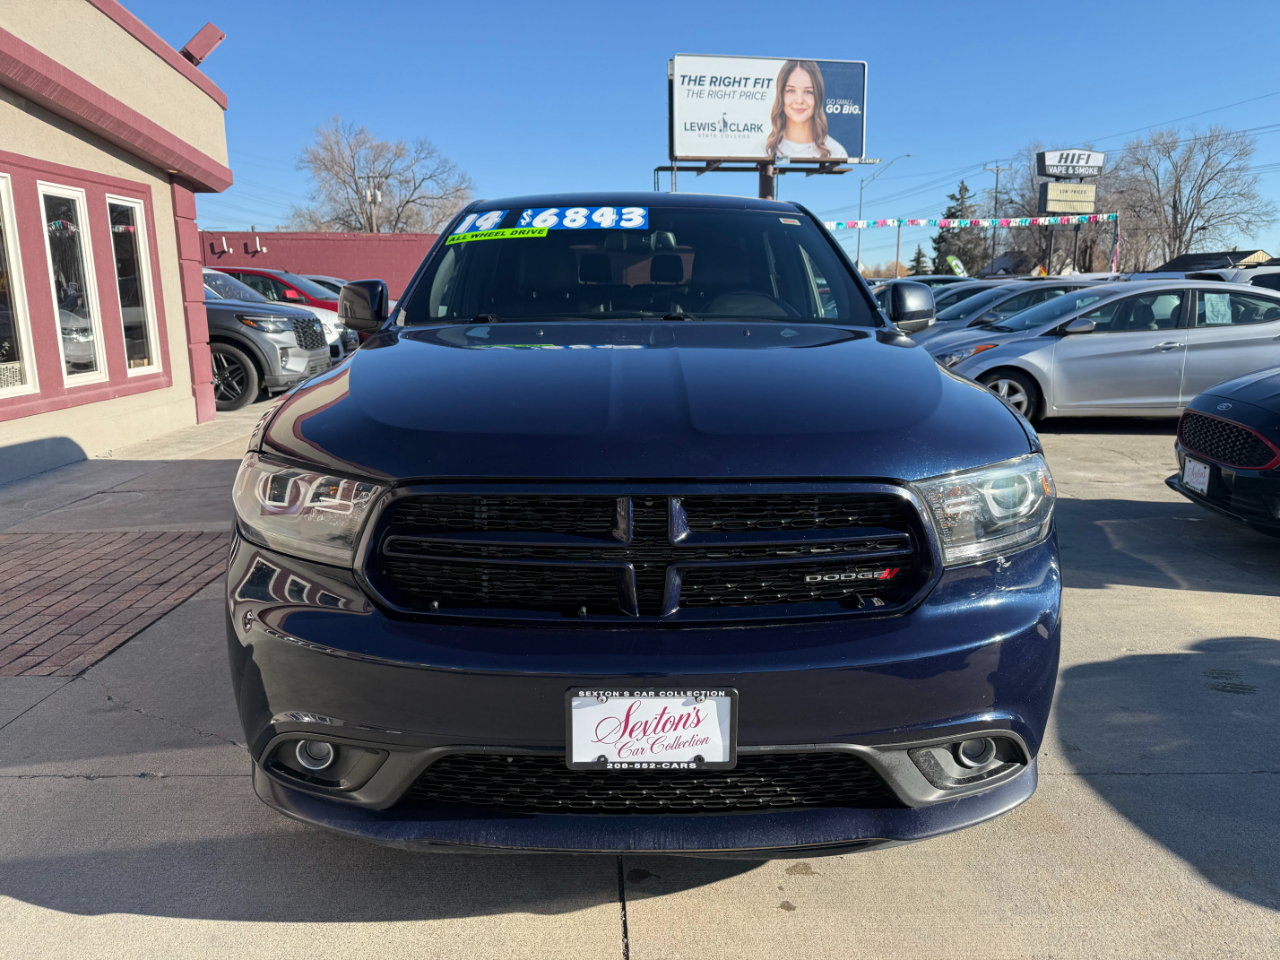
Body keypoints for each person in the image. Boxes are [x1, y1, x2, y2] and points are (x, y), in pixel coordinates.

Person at [765, 60, 845, 160]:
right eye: (791, 91)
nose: (799, 100)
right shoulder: (764, 150)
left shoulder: (836, 152)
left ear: (818, 97)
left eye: (808, 92)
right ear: (781, 95)